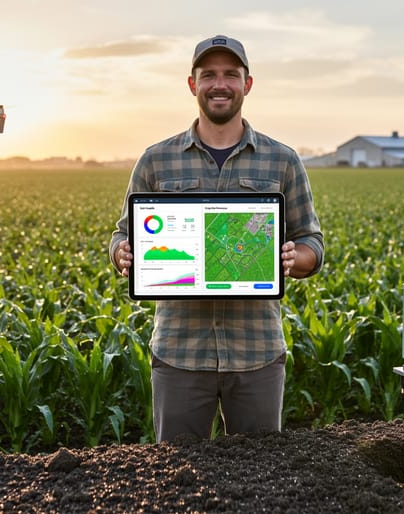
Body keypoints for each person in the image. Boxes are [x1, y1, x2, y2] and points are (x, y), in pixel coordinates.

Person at [109, 35, 324, 442]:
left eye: (230, 74)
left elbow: (311, 241)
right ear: (193, 84)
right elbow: (123, 232)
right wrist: (121, 252)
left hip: (257, 353)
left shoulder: (282, 160)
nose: (219, 84)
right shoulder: (156, 159)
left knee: (260, 470)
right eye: (208, 75)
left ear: (247, 84)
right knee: (178, 470)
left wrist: (295, 258)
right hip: (180, 354)